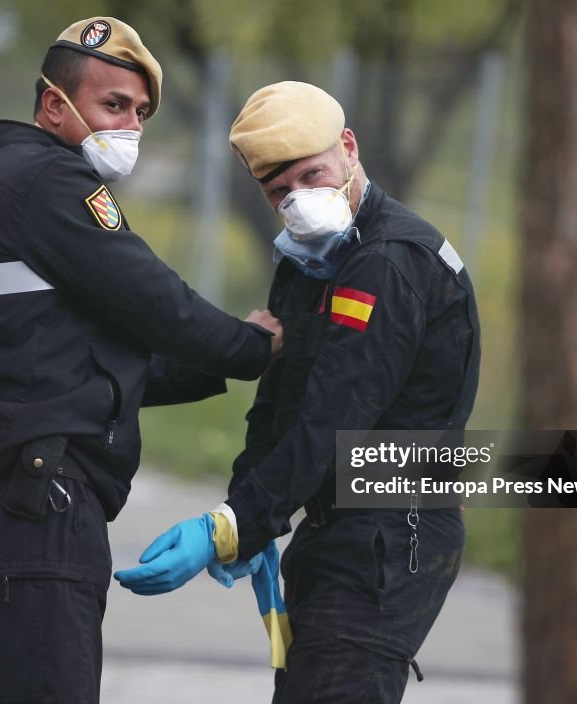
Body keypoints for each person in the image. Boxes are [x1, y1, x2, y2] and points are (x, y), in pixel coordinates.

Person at [0, 17, 283, 704]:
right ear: (53, 105)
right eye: (113, 105)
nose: (132, 127)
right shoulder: (51, 184)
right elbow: (155, 301)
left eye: (141, 113)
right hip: (39, 513)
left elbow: (75, 365)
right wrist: (251, 347)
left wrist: (215, 368)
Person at [115, 81, 481, 703]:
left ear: (349, 147)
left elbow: (337, 413)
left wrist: (234, 524)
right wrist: (247, 513)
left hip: (395, 534)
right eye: (280, 191)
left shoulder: (388, 263)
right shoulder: (312, 257)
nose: (300, 200)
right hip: (338, 530)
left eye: (313, 175)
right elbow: (281, 404)